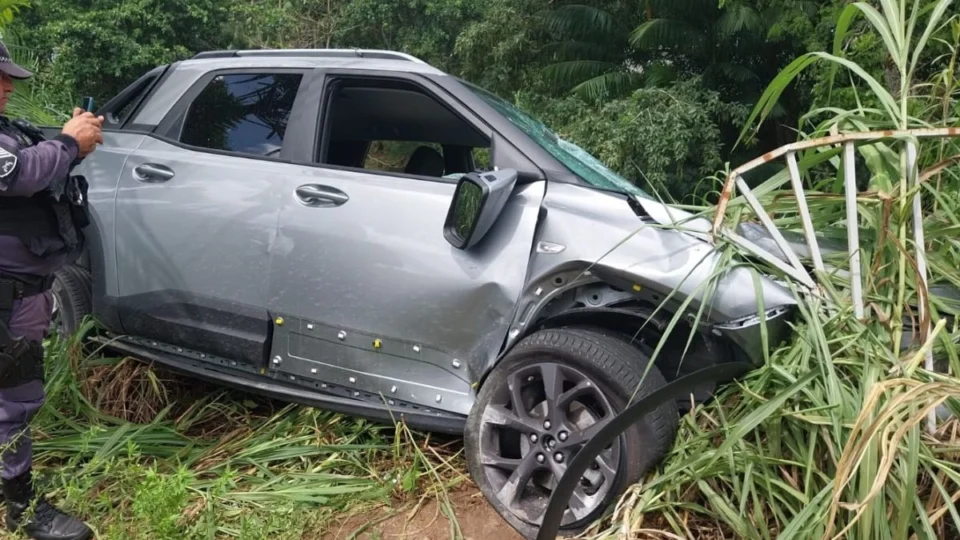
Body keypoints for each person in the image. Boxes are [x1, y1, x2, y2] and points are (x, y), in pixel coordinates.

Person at [0, 39, 103, 540]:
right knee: (13, 403)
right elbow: (17, 174)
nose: (6, 87)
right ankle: (22, 512)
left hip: (23, 293)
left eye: (8, 78)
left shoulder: (7, 131)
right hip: (6, 298)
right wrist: (66, 144)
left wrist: (72, 149)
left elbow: (34, 178)